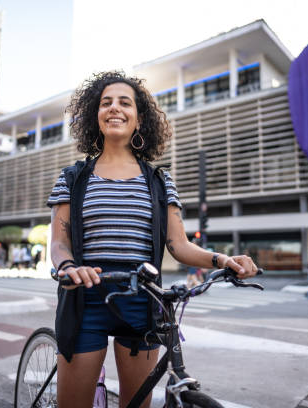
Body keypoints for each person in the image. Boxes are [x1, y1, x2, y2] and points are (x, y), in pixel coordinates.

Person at [48, 71, 259, 408]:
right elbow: (58, 243)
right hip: (84, 299)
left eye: (124, 102)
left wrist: (223, 260)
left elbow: (179, 245)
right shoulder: (73, 178)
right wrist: (69, 267)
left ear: (139, 118)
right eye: (106, 103)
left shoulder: (159, 182)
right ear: (95, 115)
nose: (115, 108)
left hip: (143, 301)